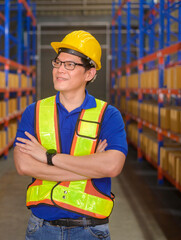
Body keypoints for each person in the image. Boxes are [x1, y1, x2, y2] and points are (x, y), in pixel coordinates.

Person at [13, 30, 128, 240]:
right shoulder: (34, 111)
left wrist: (48, 157)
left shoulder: (108, 115)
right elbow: (25, 166)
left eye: (70, 65)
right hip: (41, 227)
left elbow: (112, 166)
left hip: (90, 230)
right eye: (58, 62)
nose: (59, 70)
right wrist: (90, 168)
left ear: (89, 74)